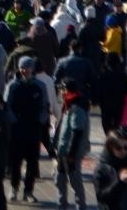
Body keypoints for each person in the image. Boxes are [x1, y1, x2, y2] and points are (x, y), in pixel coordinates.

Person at [5, 55, 46, 203]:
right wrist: (14, 121)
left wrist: (41, 121)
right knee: (16, 162)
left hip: (34, 129)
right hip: (17, 129)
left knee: (32, 162)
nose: (25, 70)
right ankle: (14, 187)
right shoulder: (13, 86)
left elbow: (44, 106)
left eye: (28, 67)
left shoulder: (40, 86)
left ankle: (29, 191)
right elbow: (6, 105)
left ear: (32, 69)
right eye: (22, 67)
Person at [53, 79, 90, 210]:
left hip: (71, 151)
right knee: (60, 178)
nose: (60, 92)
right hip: (63, 149)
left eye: (62, 89)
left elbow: (77, 131)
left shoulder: (77, 106)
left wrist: (72, 154)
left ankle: (81, 206)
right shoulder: (68, 104)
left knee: (75, 181)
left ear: (67, 90)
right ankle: (61, 205)